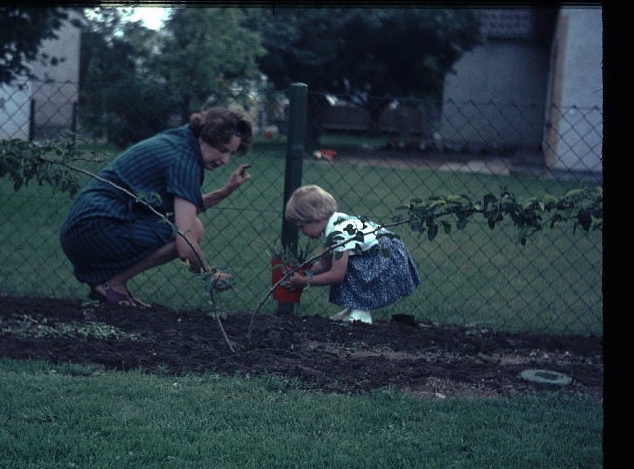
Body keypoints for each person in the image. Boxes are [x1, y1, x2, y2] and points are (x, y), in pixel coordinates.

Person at [59, 107, 254, 308]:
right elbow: (185, 246)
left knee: (189, 226)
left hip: (84, 228)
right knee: (193, 230)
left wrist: (223, 193)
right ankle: (112, 284)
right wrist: (210, 276)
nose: (225, 161)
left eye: (231, 153)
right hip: (93, 229)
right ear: (206, 137)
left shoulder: (181, 141)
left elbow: (182, 213)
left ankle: (112, 283)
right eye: (222, 150)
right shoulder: (184, 160)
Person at [283, 185, 421, 324]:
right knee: (343, 262)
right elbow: (324, 264)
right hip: (379, 251)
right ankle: (354, 308)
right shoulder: (331, 226)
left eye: (301, 226)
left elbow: (336, 276)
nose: (301, 231)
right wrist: (302, 273)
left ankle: (361, 314)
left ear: (317, 220)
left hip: (386, 256)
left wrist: (305, 282)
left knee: (347, 266)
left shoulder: (340, 234)